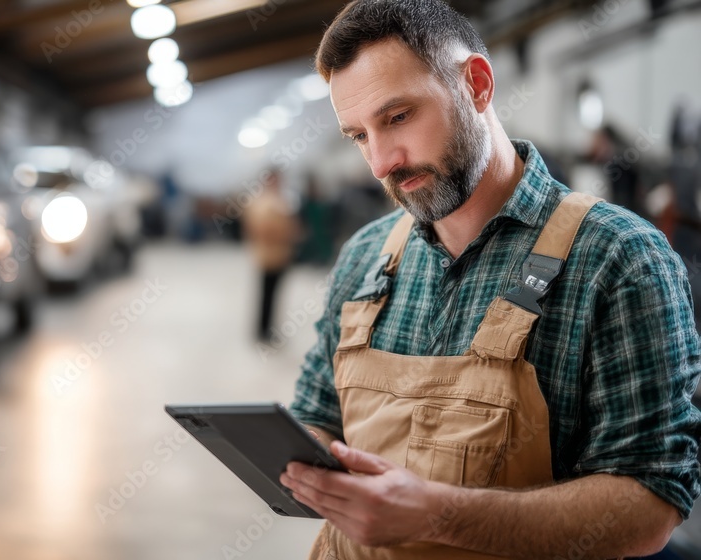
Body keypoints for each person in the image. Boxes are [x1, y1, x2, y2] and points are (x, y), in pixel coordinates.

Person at [282, 1, 701, 559]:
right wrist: (303, 460)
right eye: (359, 135)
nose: (381, 162)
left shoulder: (618, 259)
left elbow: (650, 504)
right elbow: (316, 413)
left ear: (477, 85)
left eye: (398, 117)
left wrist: (437, 515)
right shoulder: (364, 256)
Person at [243, 169, 299, 341]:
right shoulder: (261, 203)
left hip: (281, 253)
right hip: (267, 253)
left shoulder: (281, 200)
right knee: (266, 294)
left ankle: (268, 327)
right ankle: (262, 330)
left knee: (275, 294)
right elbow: (258, 228)